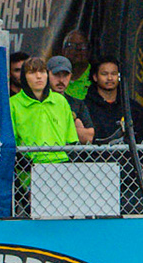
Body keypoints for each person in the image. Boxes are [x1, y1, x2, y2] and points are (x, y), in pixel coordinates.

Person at [10, 56, 87, 189]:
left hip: (61, 166)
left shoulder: (60, 101)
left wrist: (70, 164)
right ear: (24, 77)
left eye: (42, 72)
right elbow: (11, 142)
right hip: (30, 169)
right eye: (32, 72)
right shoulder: (13, 104)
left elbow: (71, 138)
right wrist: (25, 164)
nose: (38, 76)